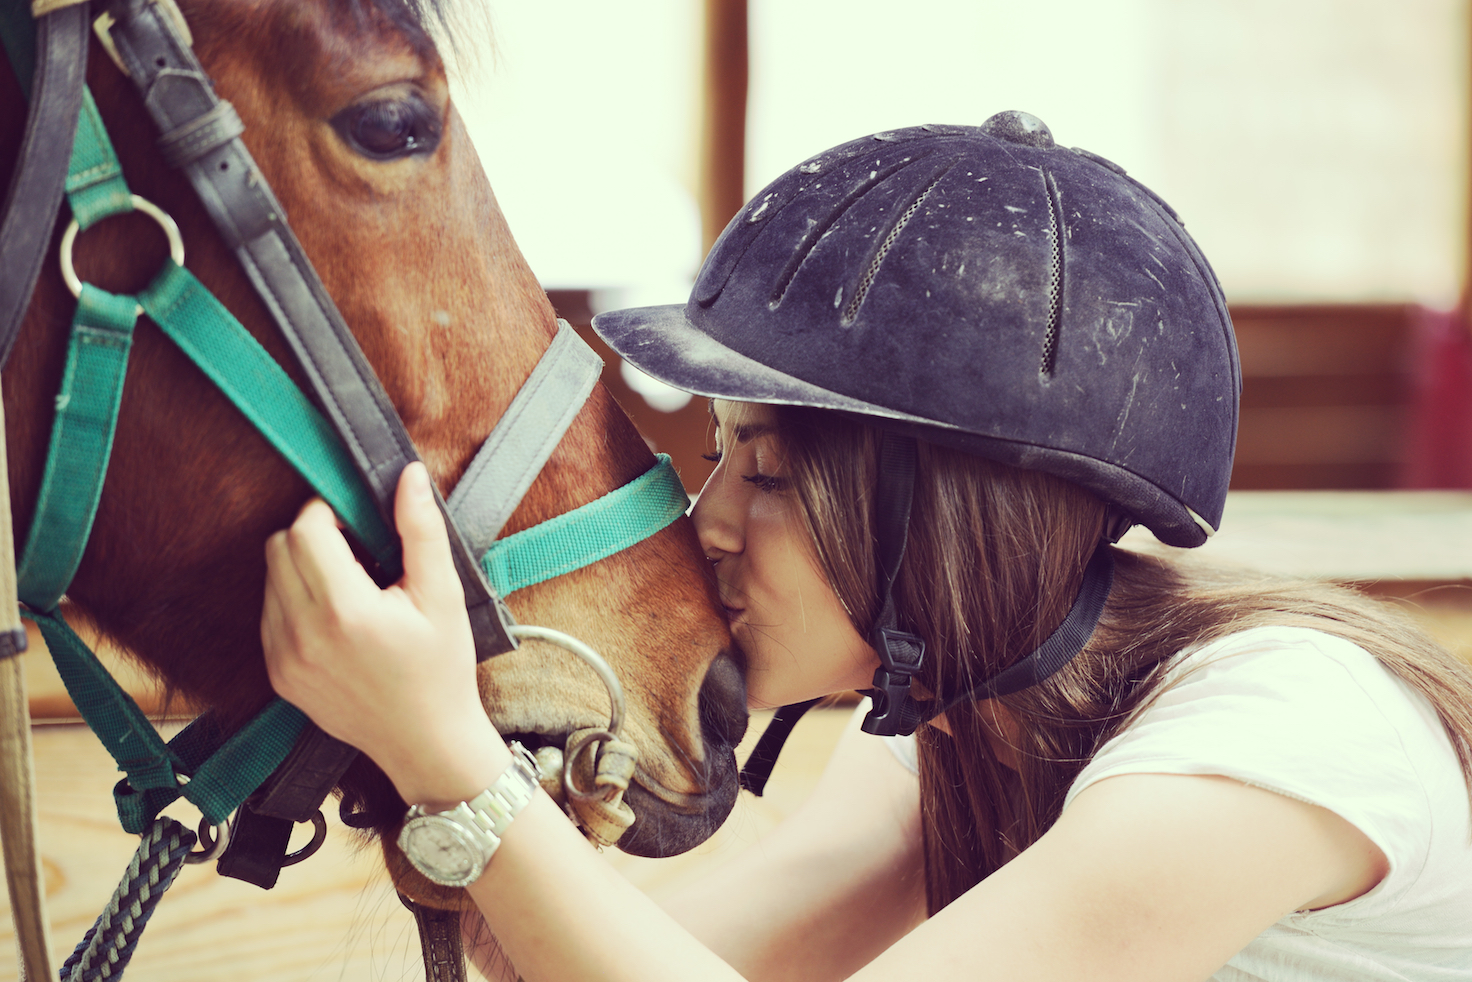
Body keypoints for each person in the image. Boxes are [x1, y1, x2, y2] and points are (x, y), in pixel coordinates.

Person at [261, 113, 1472, 981]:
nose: (713, 520)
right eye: (720, 455)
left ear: (950, 516)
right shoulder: (949, 735)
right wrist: (440, 738)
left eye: (775, 474)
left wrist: (455, 764)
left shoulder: (1274, 731)